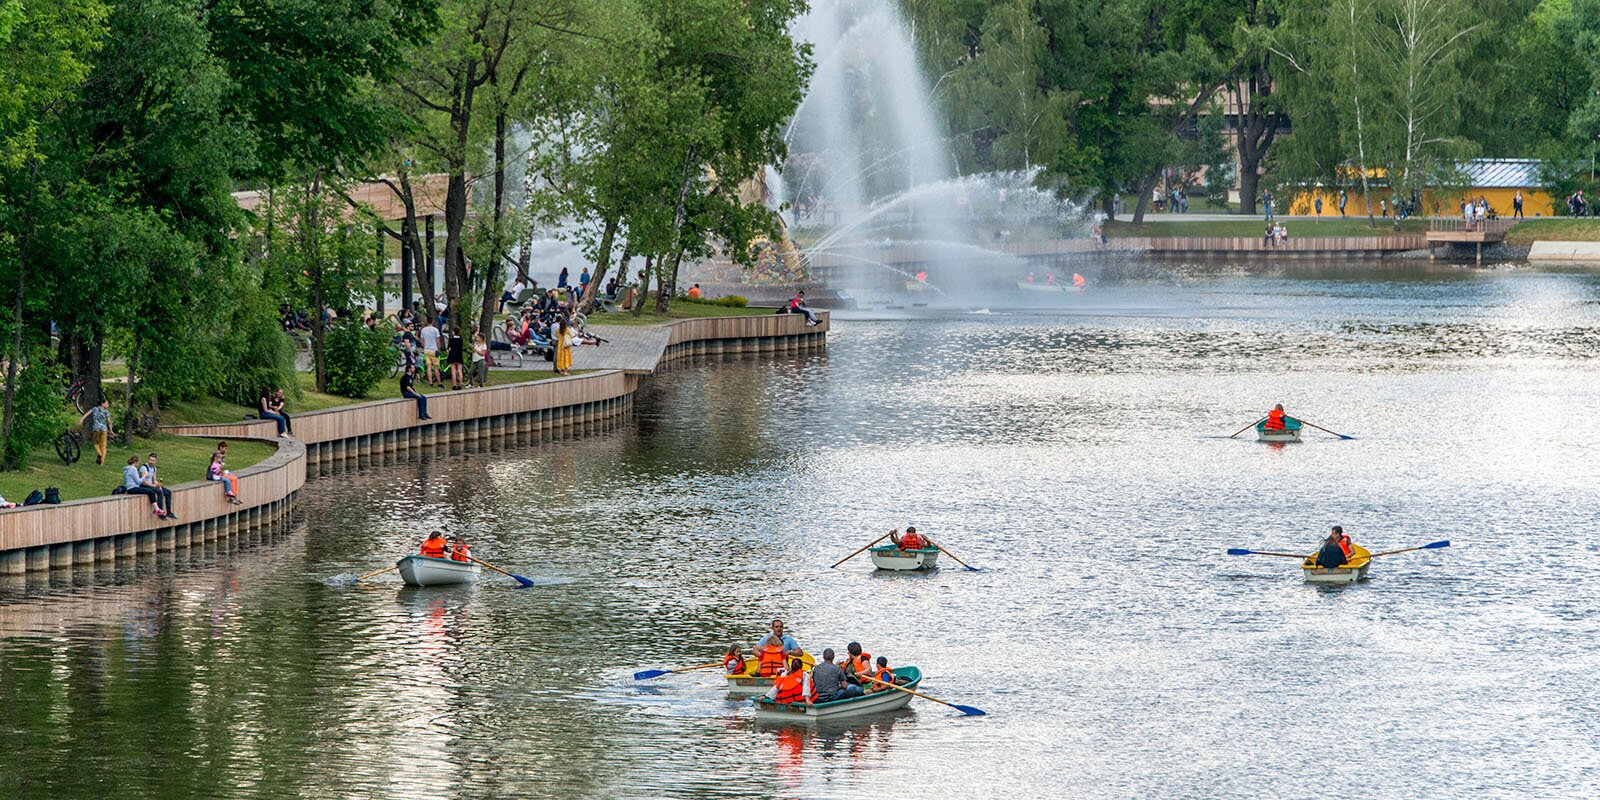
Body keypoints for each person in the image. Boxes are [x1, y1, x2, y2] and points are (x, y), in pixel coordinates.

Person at [139, 453, 176, 520]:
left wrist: (158, 485)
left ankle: (169, 512)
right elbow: (143, 482)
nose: (151, 462)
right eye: (150, 460)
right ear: (148, 459)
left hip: (152, 485)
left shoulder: (154, 468)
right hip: (144, 486)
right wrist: (153, 485)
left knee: (168, 492)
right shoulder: (144, 468)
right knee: (159, 492)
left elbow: (154, 480)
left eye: (153, 460)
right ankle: (160, 513)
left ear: (155, 461)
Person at [80, 398, 114, 465]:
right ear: (102, 404)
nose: (108, 405)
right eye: (107, 403)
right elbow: (109, 422)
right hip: (104, 430)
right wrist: (111, 430)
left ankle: (99, 453)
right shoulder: (106, 412)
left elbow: (87, 414)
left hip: (96, 429)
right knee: (103, 446)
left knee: (96, 443)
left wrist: (81, 419)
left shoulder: (94, 409)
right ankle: (102, 462)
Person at [420, 318, 442, 386]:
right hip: (434, 349)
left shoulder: (423, 330)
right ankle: (439, 382)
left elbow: (422, 341)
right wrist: (438, 349)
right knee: (436, 367)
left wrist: (424, 346)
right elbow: (438, 341)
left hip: (426, 350)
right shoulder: (435, 330)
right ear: (432, 322)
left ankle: (430, 382)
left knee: (429, 367)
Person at [447, 326, 465, 390]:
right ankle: (460, 384)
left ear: (454, 332)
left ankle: (454, 385)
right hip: (459, 355)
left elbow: (449, 348)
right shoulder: (461, 339)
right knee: (460, 370)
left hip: (452, 355)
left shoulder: (451, 339)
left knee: (453, 371)